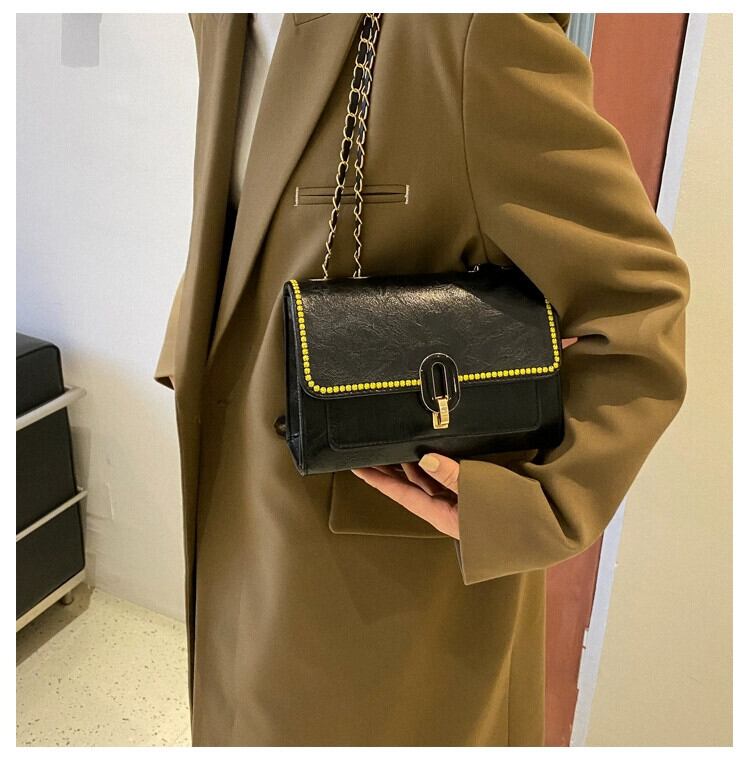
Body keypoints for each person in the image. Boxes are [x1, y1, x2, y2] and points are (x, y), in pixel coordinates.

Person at [154, 13, 689, 746]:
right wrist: (189, 355)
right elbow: (239, 216)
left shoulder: (465, 30)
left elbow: (638, 305)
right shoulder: (218, 19)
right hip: (236, 494)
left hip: (381, 566)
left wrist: (531, 506)